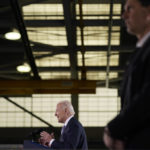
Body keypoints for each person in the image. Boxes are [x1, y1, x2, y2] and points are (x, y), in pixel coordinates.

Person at [103, 0, 150, 149]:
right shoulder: (139, 53)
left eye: (130, 9)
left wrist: (114, 128)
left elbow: (147, 97)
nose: (124, 15)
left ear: (148, 13)